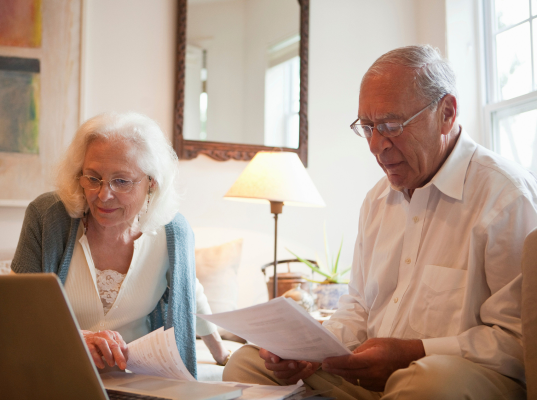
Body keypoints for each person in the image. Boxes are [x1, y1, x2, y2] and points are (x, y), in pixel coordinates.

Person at [223, 45, 537, 399]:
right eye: (367, 127)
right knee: (247, 363)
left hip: (467, 379)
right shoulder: (377, 200)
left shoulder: (506, 196)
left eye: (390, 126)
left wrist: (416, 353)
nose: (375, 145)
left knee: (423, 381)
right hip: (371, 381)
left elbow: (520, 341)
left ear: (446, 113)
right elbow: (358, 306)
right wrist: (310, 354)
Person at [0, 112, 229, 398]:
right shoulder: (47, 217)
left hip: (135, 382)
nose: (103, 194)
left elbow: (189, 293)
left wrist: (222, 357)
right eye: (93, 178)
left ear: (152, 182)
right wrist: (77, 340)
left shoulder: (173, 232)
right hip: (54, 372)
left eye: (121, 181)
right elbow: (15, 316)